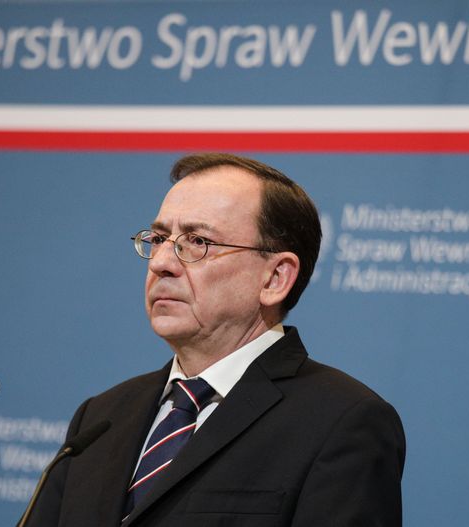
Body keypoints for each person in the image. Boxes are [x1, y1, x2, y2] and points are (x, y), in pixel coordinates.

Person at [25, 153, 405, 526]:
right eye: (159, 238)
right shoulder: (101, 417)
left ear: (275, 278)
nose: (160, 263)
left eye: (198, 241)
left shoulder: (342, 422)